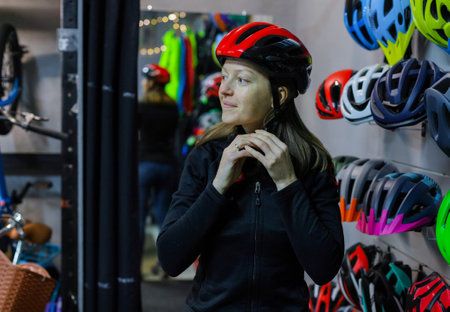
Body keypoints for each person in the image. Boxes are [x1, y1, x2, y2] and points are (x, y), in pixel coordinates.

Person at [157, 22, 344, 311]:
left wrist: (288, 184)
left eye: (242, 80)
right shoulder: (206, 156)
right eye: (224, 77)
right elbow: (170, 258)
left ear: (279, 95)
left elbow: (323, 269)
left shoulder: (312, 162)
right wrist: (218, 185)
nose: (224, 90)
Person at [138, 63, 178, 258]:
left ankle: (132, 263)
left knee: (138, 215)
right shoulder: (173, 108)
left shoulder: (142, 107)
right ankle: (167, 259)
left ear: (151, 83)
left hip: (145, 164)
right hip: (167, 164)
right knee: (163, 214)